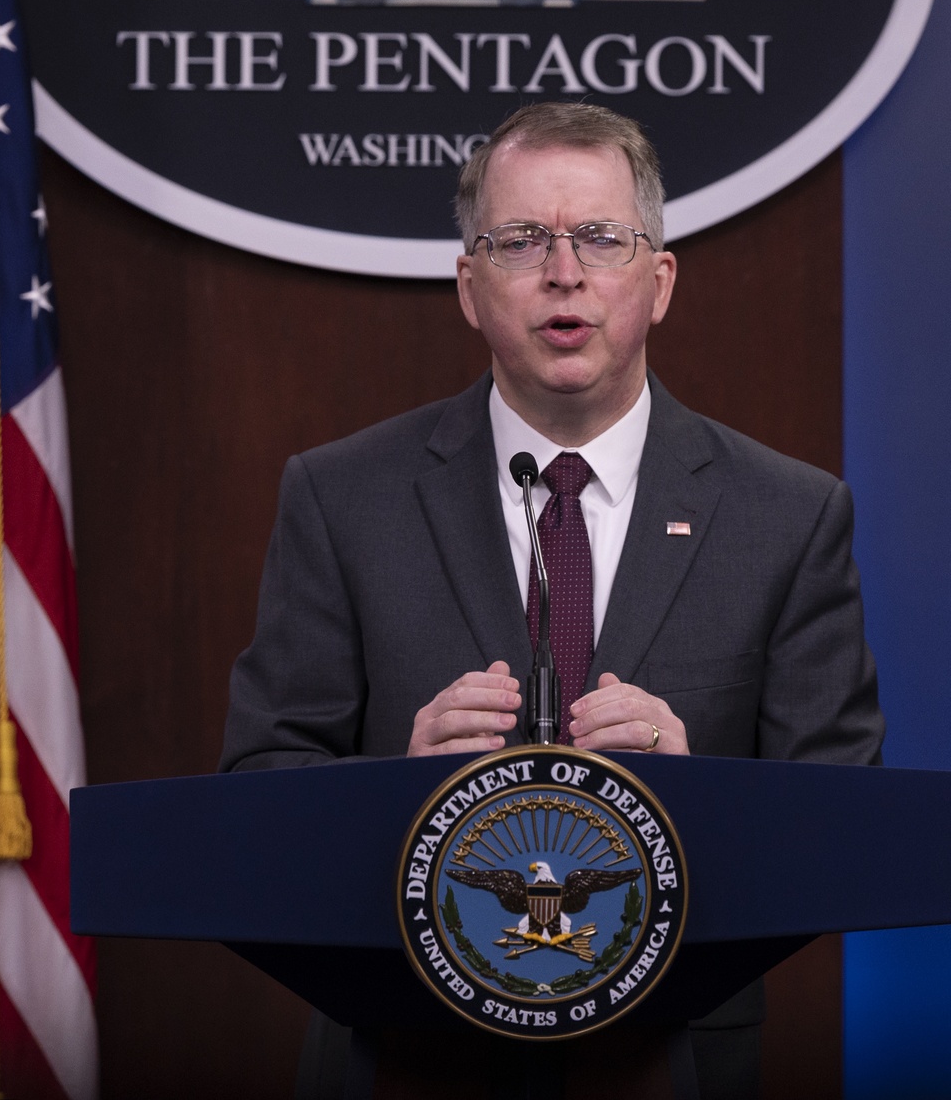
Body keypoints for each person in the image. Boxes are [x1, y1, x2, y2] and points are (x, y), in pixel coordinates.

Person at [221, 101, 884, 1097]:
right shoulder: (340, 496)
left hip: (677, 1060)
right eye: (521, 239)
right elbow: (254, 797)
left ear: (657, 282)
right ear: (469, 286)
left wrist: (696, 794)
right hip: (402, 1056)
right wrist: (391, 793)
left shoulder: (787, 515)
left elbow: (846, 830)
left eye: (601, 238)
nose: (563, 271)